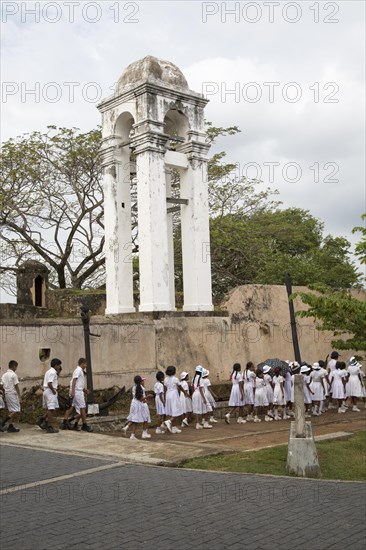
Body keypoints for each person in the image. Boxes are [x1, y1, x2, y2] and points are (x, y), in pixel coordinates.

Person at [36, 358, 62, 433]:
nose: (59, 367)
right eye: (59, 365)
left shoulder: (48, 371)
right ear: (56, 365)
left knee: (54, 408)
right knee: (51, 409)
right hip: (50, 391)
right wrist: (53, 391)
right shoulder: (53, 372)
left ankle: (43, 419)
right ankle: (49, 426)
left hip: (48, 391)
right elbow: (49, 383)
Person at [123, 375, 151, 440]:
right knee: (136, 420)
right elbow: (141, 399)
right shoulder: (139, 388)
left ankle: (128, 429)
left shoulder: (134, 387)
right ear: (140, 381)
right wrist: (148, 397)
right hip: (137, 404)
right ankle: (132, 435)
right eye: (142, 380)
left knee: (135, 419)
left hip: (134, 403)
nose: (143, 381)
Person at [69, 358, 93, 432]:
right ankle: (84, 425)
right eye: (85, 364)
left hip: (79, 391)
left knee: (80, 411)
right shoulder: (78, 370)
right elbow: (74, 381)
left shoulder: (80, 371)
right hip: (77, 392)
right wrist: (73, 391)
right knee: (83, 408)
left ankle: (75, 423)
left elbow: (79, 384)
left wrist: (84, 390)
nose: (86, 365)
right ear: (82, 363)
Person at [1, 360, 22, 432]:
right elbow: (16, 386)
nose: (16, 368)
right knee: (16, 410)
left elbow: (1, 385)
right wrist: (19, 396)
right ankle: (3, 422)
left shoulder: (4, 375)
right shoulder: (13, 375)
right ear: (13, 366)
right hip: (12, 393)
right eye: (16, 367)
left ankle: (10, 426)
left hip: (7, 393)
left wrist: (3, 393)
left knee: (11, 410)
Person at [164, 366, 183, 434]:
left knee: (171, 411)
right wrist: (185, 392)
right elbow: (180, 387)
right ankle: (169, 421)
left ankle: (174, 428)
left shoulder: (166, 379)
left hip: (168, 394)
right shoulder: (175, 379)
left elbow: (165, 388)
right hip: (174, 395)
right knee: (177, 410)